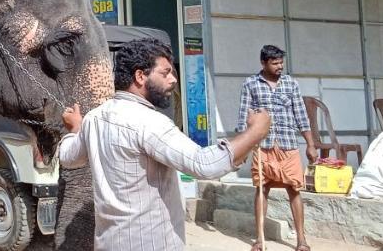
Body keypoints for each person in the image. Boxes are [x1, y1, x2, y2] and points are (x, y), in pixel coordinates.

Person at [59, 38, 272, 251]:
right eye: (165, 73)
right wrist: (256, 132)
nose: (173, 80)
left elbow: (68, 158)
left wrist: (75, 130)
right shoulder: (149, 122)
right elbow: (204, 164)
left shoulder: (94, 118)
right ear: (140, 76)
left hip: (110, 242)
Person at [238, 45, 318, 251]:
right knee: (262, 189)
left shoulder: (291, 84)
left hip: (288, 145)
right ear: (263, 63)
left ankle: (301, 240)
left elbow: (301, 115)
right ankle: (259, 239)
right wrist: (242, 149)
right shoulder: (250, 84)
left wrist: (310, 145)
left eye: (281, 62)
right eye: (275, 63)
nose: (279, 66)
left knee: (294, 190)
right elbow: (243, 119)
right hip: (262, 147)